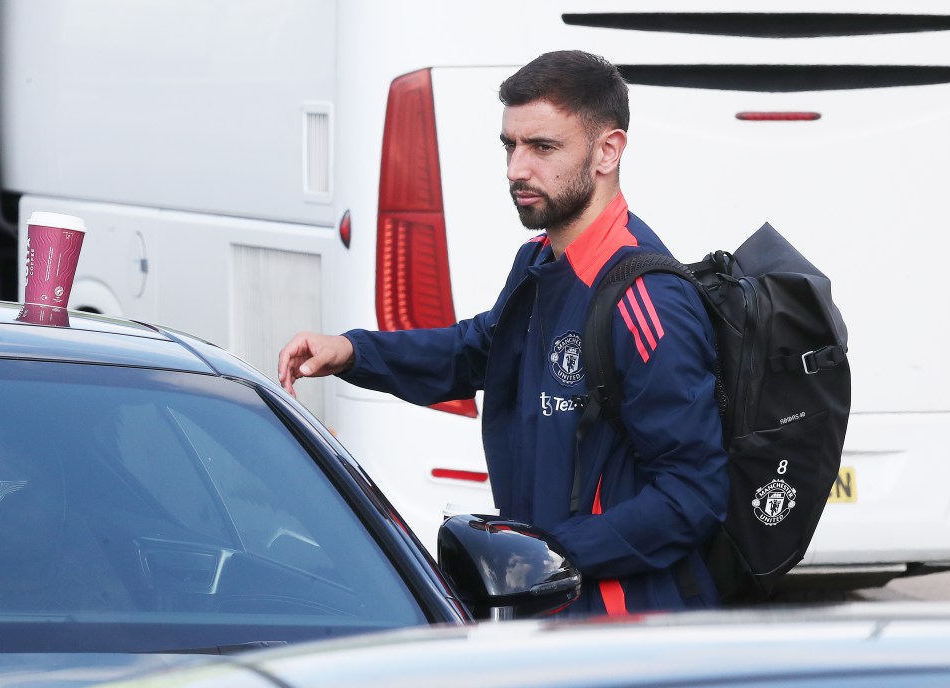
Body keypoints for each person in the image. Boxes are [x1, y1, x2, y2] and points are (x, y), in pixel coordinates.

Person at [278, 50, 728, 615]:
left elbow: (694, 496)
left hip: (624, 632)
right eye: (509, 146)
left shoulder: (646, 300)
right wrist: (351, 351)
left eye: (542, 147)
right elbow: (477, 351)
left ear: (608, 151)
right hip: (546, 613)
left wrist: (546, 556)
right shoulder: (538, 263)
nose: (517, 169)